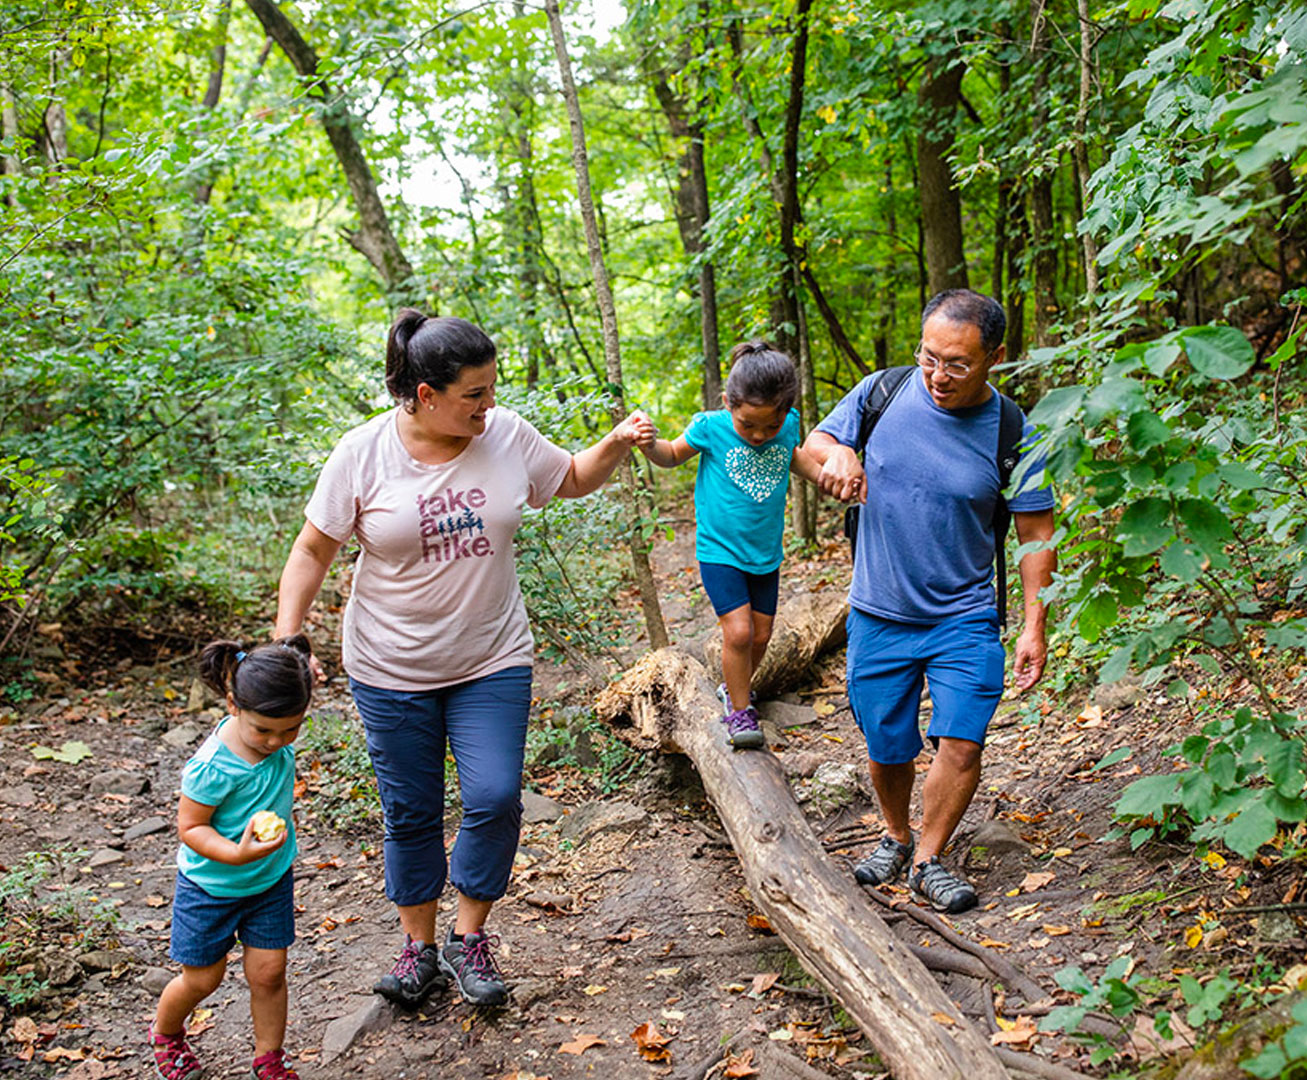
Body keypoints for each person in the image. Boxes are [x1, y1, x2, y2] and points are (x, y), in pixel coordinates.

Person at [272, 309, 653, 1010]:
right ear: (425, 396)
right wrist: (291, 635)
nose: (490, 405)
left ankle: (468, 939)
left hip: (492, 658)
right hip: (389, 667)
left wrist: (617, 442)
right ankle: (417, 949)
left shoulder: (503, 435)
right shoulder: (362, 454)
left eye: (492, 389)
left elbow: (567, 478)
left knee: (494, 797)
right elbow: (312, 550)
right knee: (411, 812)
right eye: (474, 394)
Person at [803, 289, 1057, 914]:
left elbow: (1036, 536)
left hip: (965, 616)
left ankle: (928, 859)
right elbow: (811, 447)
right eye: (929, 357)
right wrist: (835, 453)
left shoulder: (1014, 431)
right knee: (886, 743)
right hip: (878, 611)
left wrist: (1034, 625)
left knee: (961, 740)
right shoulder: (881, 393)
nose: (938, 376)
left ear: (995, 357)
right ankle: (893, 835)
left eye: (958, 364)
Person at [639, 341, 822, 748]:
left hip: (765, 552)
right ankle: (740, 711)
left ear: (785, 412)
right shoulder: (710, 427)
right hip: (720, 550)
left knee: (760, 636)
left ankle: (734, 687)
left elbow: (796, 457)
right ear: (728, 403)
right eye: (747, 425)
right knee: (738, 633)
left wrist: (825, 477)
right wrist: (650, 443)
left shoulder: (788, 423)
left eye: (769, 427)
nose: (759, 435)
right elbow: (670, 454)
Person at [149, 636, 313, 1080]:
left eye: (291, 729)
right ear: (233, 705)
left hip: (269, 880)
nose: (277, 741)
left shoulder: (275, 731)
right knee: (203, 979)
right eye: (264, 730)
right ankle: (166, 1033)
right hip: (211, 886)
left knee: (269, 973)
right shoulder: (211, 767)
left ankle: (269, 1058)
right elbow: (190, 828)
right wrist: (236, 853)